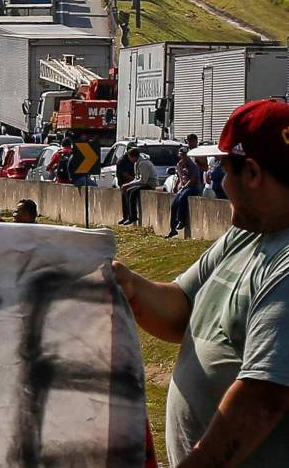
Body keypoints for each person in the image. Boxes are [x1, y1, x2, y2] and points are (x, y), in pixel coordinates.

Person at [113, 100, 289, 466]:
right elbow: (182, 307)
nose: (222, 183)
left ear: (253, 173)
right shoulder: (249, 233)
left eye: (225, 170)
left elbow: (262, 397)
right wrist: (129, 285)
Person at [167, 146, 203, 238]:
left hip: (193, 187)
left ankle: (181, 220)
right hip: (183, 187)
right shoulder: (179, 165)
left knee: (183, 198)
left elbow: (193, 180)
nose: (183, 157)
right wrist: (176, 186)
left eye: (185, 155)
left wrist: (184, 187)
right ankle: (172, 228)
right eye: (181, 155)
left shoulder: (193, 166)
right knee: (174, 203)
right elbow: (179, 177)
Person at [119, 148, 157, 225]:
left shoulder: (143, 163)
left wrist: (128, 184)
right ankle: (128, 216)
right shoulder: (137, 163)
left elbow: (143, 180)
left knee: (132, 192)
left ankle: (132, 217)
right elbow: (137, 178)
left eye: (129, 157)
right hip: (143, 183)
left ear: (133, 156)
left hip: (149, 184)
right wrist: (128, 185)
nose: (129, 159)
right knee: (127, 191)